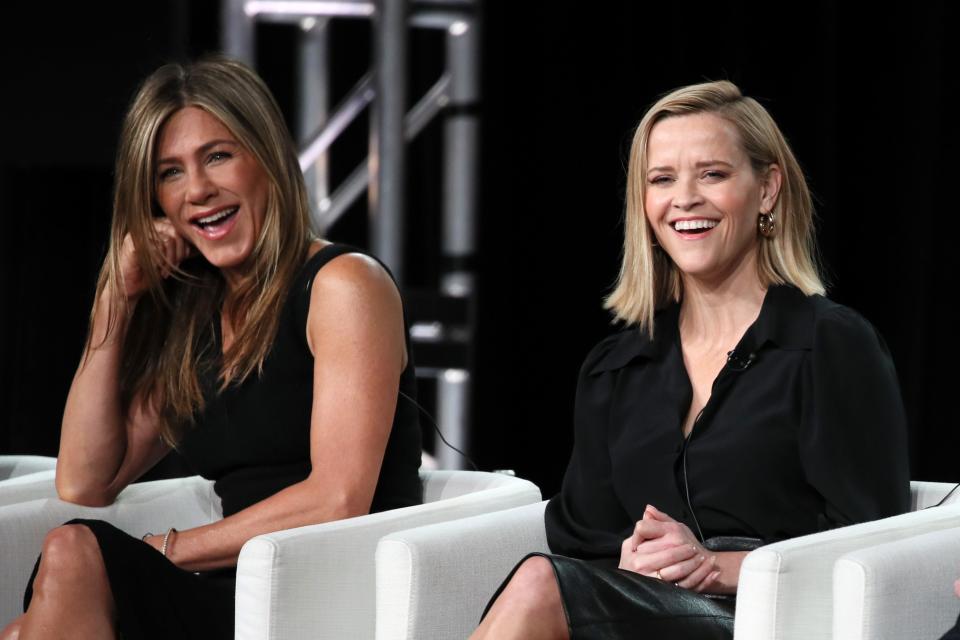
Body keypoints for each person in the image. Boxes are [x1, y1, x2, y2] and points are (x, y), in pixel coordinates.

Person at [0, 56, 421, 640]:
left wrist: (168, 549)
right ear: (154, 203)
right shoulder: (196, 316)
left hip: (325, 594)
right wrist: (113, 305)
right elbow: (85, 479)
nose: (198, 190)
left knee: (71, 555)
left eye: (218, 156)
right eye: (170, 173)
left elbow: (337, 498)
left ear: (266, 158)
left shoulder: (344, 285)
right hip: (230, 592)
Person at [471, 80, 910, 639]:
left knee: (538, 586)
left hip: (772, 619)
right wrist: (631, 561)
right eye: (662, 179)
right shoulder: (616, 367)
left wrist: (714, 567)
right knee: (546, 582)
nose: (684, 199)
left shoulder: (829, 344)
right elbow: (583, 540)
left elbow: (871, 547)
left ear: (767, 189)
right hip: (640, 614)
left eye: (713, 174)